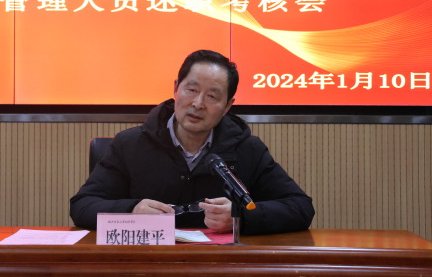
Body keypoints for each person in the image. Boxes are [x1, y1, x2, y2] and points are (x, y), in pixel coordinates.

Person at [70, 50, 315, 235]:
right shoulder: (130, 144)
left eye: (212, 96)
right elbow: (82, 206)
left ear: (227, 106)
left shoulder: (247, 149)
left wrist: (239, 217)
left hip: (218, 267)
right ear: (176, 89)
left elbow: (300, 208)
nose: (198, 103)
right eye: (191, 90)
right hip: (147, 264)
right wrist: (132, 209)